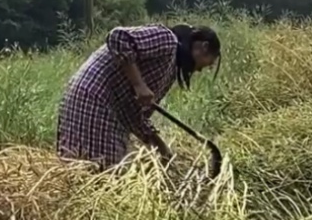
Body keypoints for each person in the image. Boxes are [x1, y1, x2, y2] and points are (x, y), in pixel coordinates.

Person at [57, 24, 221, 170]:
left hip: (100, 102)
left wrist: (159, 145)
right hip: (94, 98)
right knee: (101, 171)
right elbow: (118, 37)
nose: (200, 70)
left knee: (95, 170)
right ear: (204, 47)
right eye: (207, 63)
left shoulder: (170, 65)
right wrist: (139, 84)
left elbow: (135, 112)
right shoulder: (167, 40)